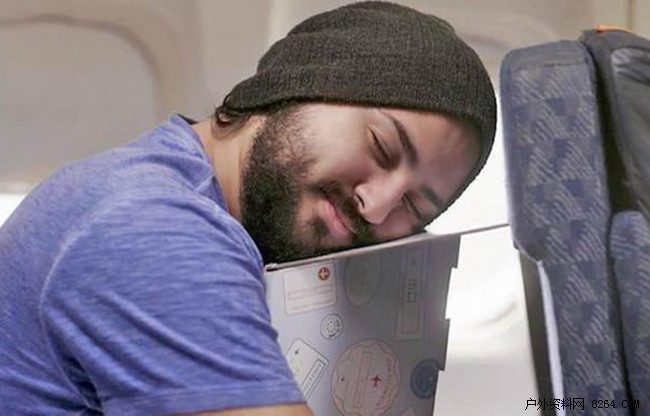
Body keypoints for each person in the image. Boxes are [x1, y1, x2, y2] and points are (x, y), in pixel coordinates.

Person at [0, 1, 496, 415]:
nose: (377, 207)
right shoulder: (152, 227)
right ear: (296, 86)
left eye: (413, 204)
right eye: (381, 147)